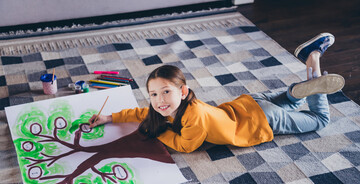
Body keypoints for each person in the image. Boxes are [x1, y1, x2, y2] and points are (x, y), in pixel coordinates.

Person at [89, 33, 345, 153]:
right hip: (252, 104)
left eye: (165, 92)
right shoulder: (172, 106)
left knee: (319, 120)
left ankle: (313, 64)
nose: (159, 101)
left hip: (261, 119)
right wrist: (110, 118)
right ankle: (294, 94)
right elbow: (142, 111)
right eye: (153, 94)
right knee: (287, 104)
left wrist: (156, 131)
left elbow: (184, 146)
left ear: (183, 90)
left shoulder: (194, 118)